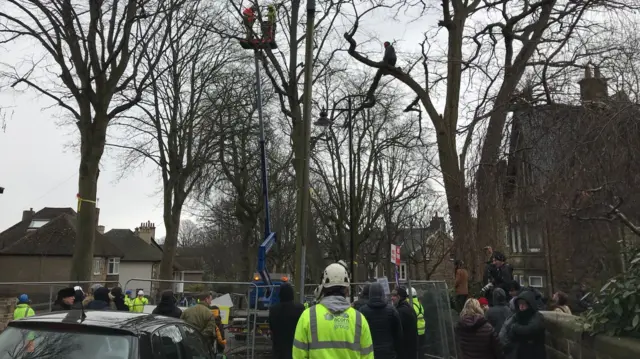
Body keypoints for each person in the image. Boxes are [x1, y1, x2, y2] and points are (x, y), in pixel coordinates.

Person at [292, 262, 374, 358]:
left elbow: (298, 355)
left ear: (323, 288)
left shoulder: (308, 316)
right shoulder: (359, 319)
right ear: (347, 290)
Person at [359, 282, 403, 359]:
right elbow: (398, 334)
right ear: (382, 293)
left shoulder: (362, 311)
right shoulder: (392, 311)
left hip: (370, 352)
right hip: (388, 353)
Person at [499, 291, 546, 359]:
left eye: (523, 303)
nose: (521, 306)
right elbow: (508, 331)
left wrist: (515, 328)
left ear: (530, 304)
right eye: (519, 303)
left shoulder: (537, 316)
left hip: (535, 353)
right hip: (521, 353)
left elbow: (531, 329)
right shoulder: (517, 316)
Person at [268, 282, 304, 359]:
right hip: (295, 350)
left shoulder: (274, 310)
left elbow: (271, 328)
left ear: (280, 294)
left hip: (278, 351)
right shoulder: (300, 309)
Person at [391, 287, 418, 359]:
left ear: (399, 297)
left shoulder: (401, 311)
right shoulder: (409, 308)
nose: (392, 298)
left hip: (404, 350)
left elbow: (396, 330)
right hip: (410, 348)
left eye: (394, 296)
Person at [409, 287, 426, 358]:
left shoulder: (410, 306)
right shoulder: (419, 305)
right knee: (421, 350)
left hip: (415, 332)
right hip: (422, 331)